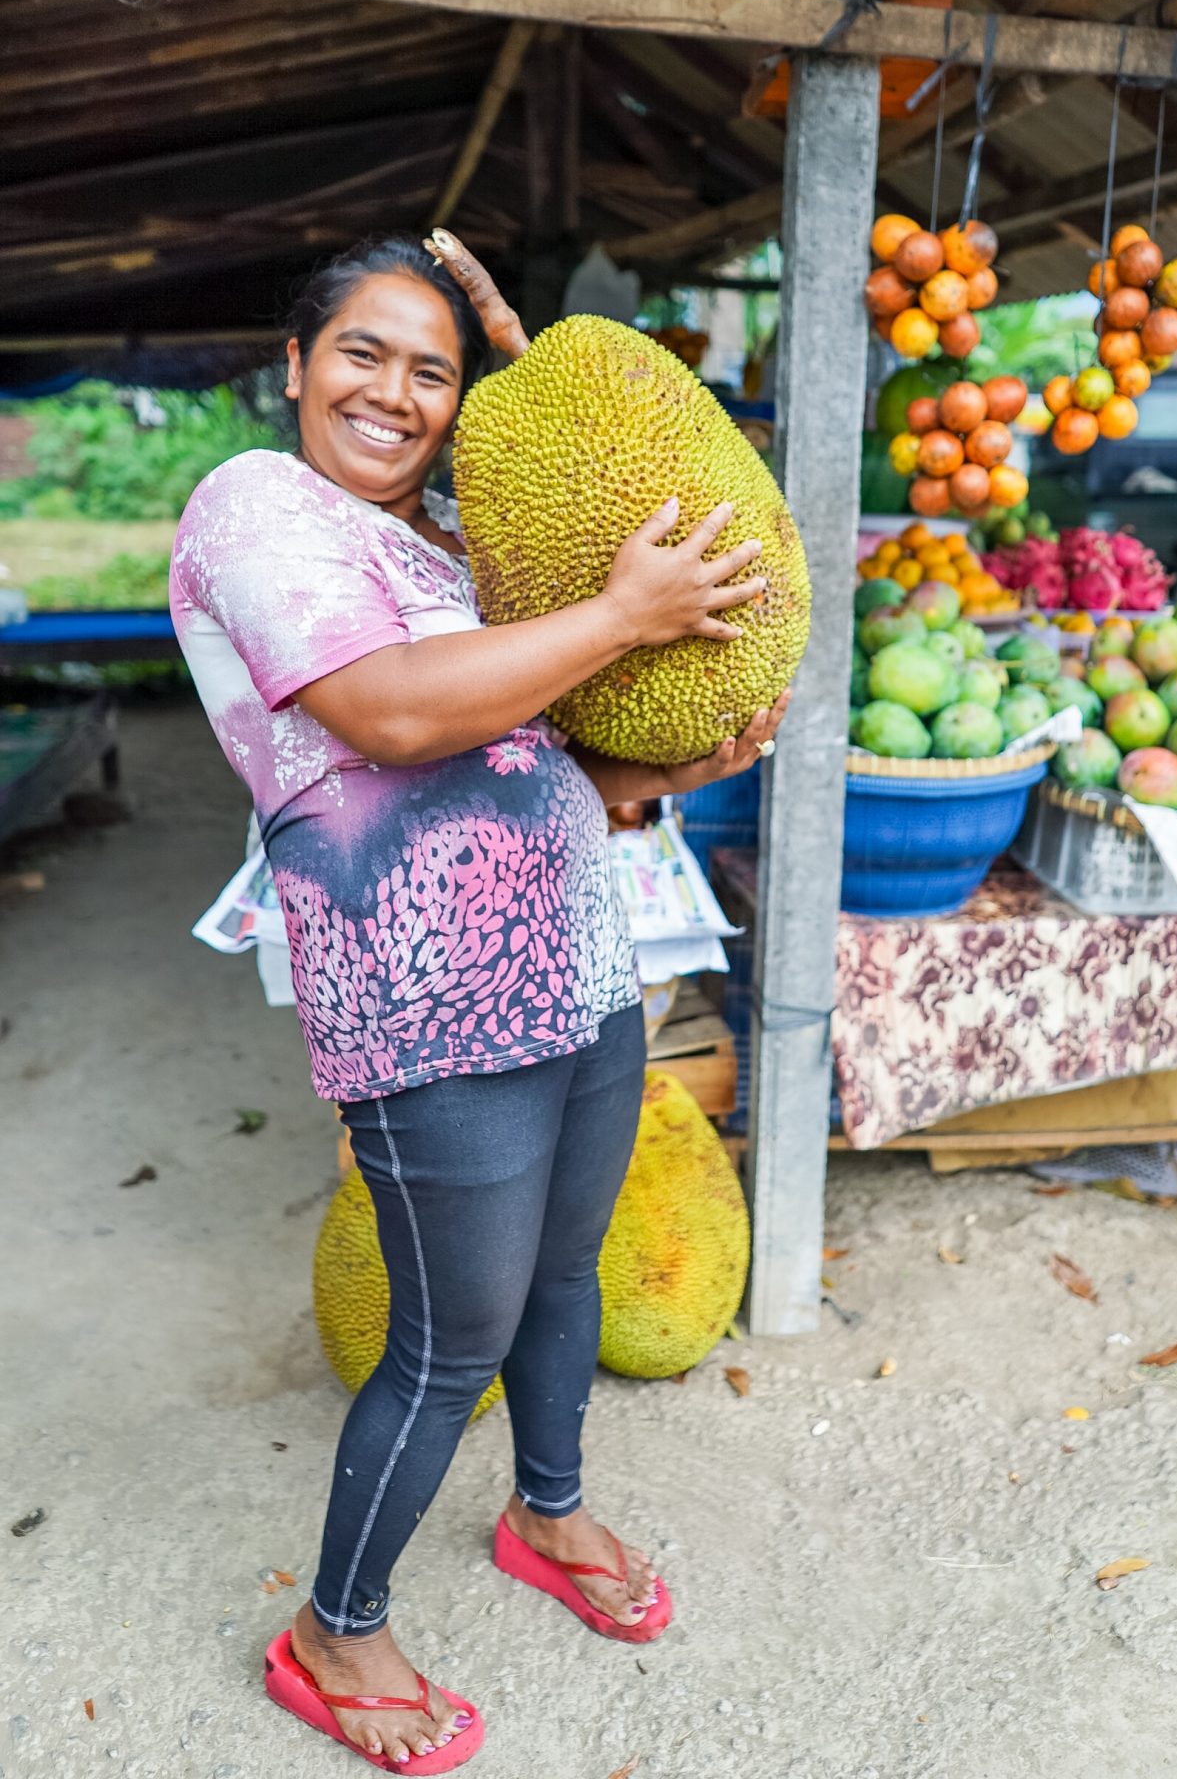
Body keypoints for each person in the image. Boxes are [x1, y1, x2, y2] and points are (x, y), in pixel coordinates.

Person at [170, 236, 788, 1772]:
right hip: (423, 1001)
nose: (392, 392)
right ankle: (335, 1633)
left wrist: (674, 767)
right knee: (451, 1341)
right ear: (300, 364)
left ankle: (549, 1514)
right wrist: (625, 620)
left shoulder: (450, 549)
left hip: (580, 961)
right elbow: (384, 713)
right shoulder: (256, 510)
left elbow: (538, 762)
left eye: (428, 371)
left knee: (565, 1279)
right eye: (363, 355)